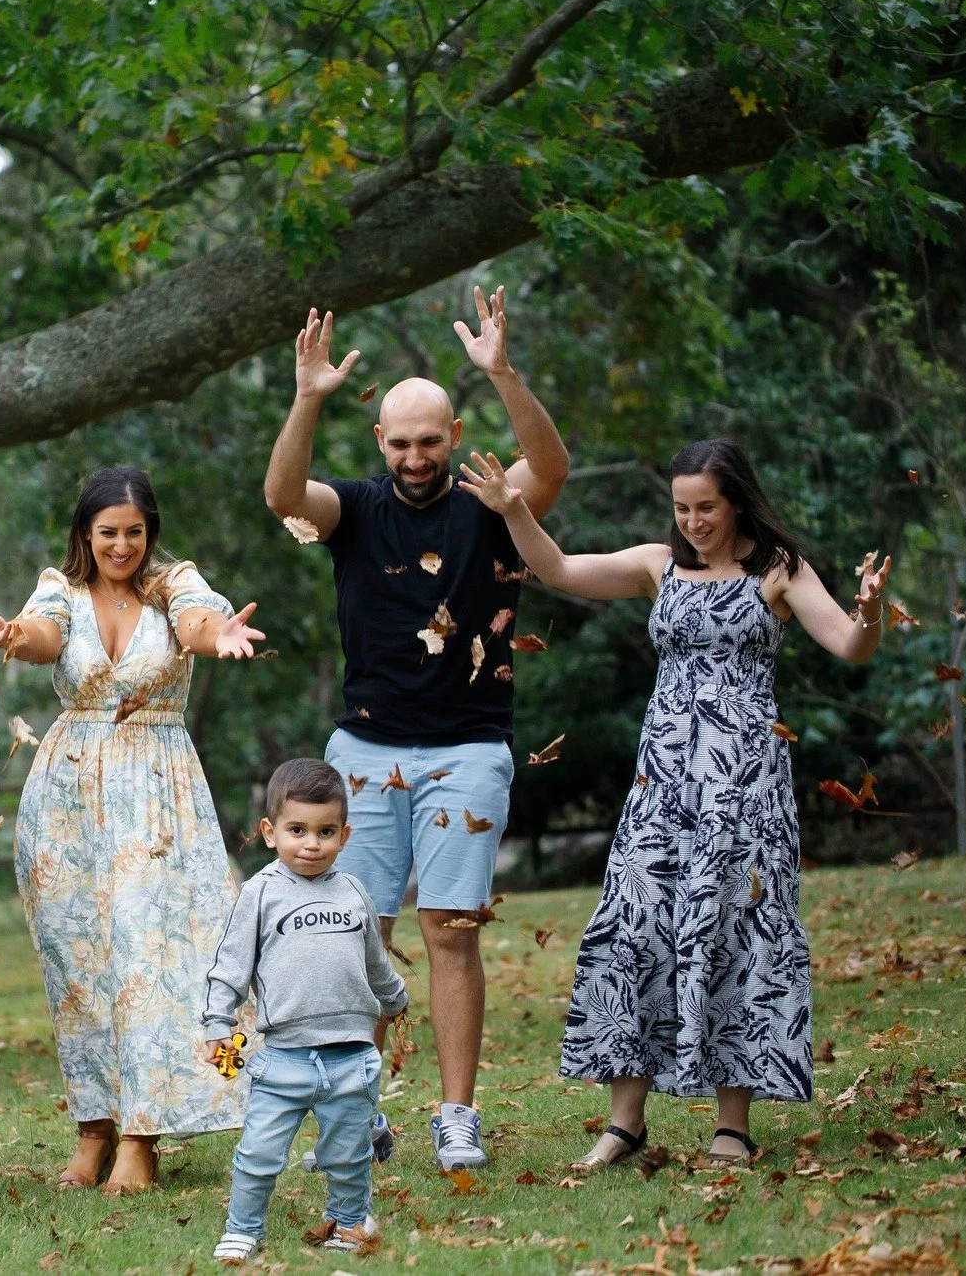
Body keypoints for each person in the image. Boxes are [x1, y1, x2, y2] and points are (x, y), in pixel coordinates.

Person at [458, 440, 889, 1166]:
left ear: (737, 502)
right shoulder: (657, 566)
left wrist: (871, 612)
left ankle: (732, 1124)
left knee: (735, 931)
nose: (691, 520)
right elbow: (557, 567)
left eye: (706, 507)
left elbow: (851, 645)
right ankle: (625, 1121)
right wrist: (512, 508)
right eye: (682, 506)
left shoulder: (776, 571)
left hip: (744, 783)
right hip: (663, 779)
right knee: (636, 921)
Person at [262, 286, 570, 1171]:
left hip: (469, 747)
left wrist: (503, 373)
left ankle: (455, 1113)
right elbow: (284, 492)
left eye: (429, 440)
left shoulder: (490, 502)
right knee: (353, 929)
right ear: (380, 444)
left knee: (450, 929)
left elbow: (549, 472)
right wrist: (308, 395)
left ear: (454, 439)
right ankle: (359, 1109)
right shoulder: (355, 508)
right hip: (363, 749)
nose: (414, 456)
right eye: (399, 442)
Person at [0, 466, 267, 1195]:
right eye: (107, 532)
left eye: (133, 530)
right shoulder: (60, 590)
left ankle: (143, 1133)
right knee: (81, 967)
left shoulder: (177, 584)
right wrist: (11, 633)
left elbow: (196, 621)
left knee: (154, 959)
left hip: (157, 791)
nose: (121, 544)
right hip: (68, 800)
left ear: (148, 531)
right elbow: (41, 636)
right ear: (85, 534)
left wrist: (217, 632)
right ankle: (94, 1128)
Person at [202, 759, 410, 1265]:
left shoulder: (354, 891)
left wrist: (396, 1000)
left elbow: (373, 961)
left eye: (326, 831)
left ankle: (349, 1220)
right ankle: (243, 1228)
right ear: (271, 833)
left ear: (345, 834)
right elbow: (231, 966)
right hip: (285, 1057)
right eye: (297, 830)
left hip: (351, 1055)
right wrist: (218, 1023)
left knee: (347, 1153)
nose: (311, 844)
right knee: (259, 1152)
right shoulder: (260, 892)